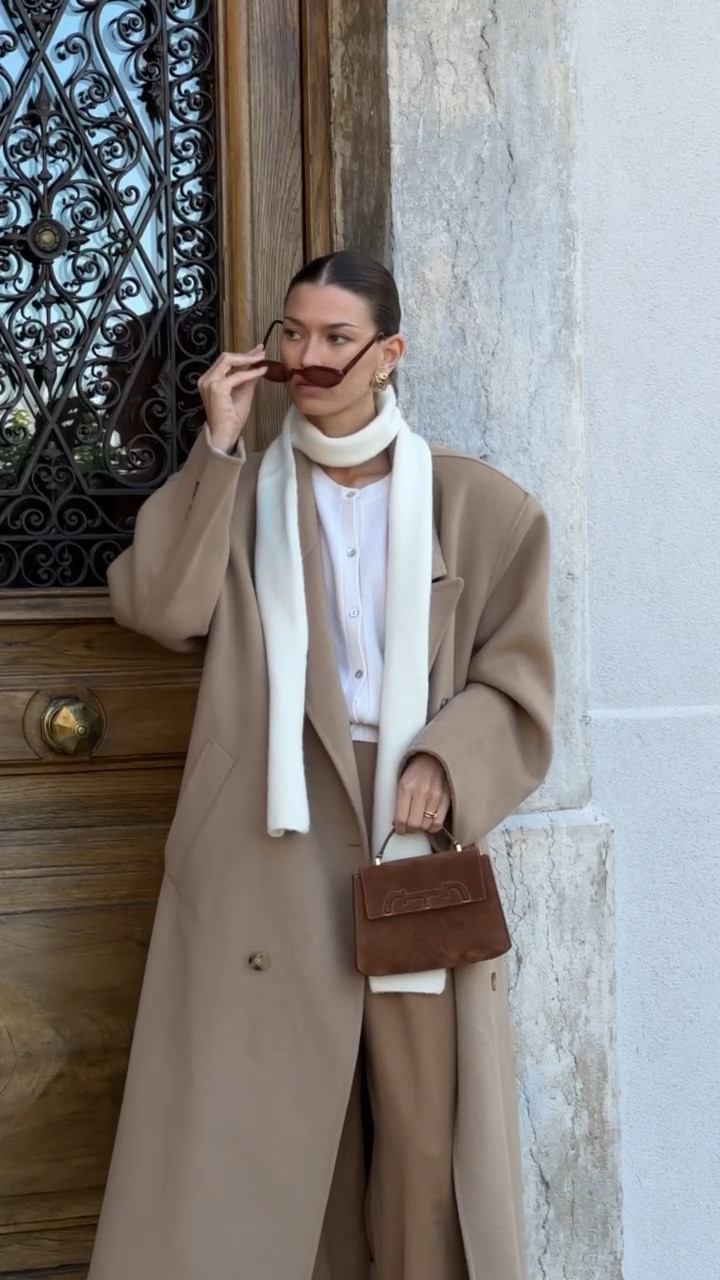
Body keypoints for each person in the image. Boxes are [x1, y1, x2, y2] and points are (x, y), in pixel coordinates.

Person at [88, 250, 555, 1280]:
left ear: (389, 353)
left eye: (337, 338)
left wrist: (445, 757)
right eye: (293, 333)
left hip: (407, 832)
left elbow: (520, 685)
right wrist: (215, 443)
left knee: (422, 1136)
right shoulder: (242, 491)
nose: (309, 357)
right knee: (274, 1133)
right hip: (268, 822)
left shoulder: (482, 507)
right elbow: (160, 608)